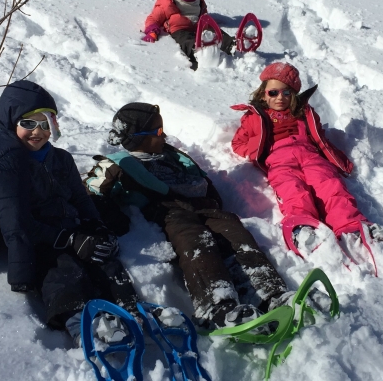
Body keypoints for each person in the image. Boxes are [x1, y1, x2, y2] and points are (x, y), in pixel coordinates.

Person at [0, 80, 134, 344]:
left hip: (65, 224)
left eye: (46, 124)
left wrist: (94, 224)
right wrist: (68, 240)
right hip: (35, 235)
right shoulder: (8, 164)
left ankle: (133, 309)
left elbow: (80, 197)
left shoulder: (61, 158)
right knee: (60, 268)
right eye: (28, 123)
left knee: (104, 258)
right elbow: (17, 224)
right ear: (11, 123)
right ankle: (80, 321)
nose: (38, 132)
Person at [85, 102, 293, 329]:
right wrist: (112, 217)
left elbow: (202, 182)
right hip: (168, 213)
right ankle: (216, 304)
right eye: (158, 131)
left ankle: (268, 291)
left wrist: (212, 202)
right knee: (195, 240)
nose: (164, 136)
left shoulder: (172, 156)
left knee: (233, 230)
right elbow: (89, 193)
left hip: (202, 207)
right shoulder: (120, 164)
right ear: (137, 138)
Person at [230, 62, 383, 251]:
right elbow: (238, 144)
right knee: (292, 188)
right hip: (278, 159)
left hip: (310, 155)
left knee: (330, 184)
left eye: (286, 92)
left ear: (293, 95)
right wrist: (259, 146)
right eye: (273, 93)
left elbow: (318, 136)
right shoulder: (254, 117)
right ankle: (302, 226)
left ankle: (350, 224)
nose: (280, 98)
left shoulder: (303, 112)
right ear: (263, 93)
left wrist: (336, 157)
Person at [142, 0, 235, 70]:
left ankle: (232, 45)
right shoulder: (167, 1)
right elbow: (154, 18)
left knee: (214, 32)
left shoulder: (198, 1)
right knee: (186, 40)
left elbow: (204, 16)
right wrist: (152, 31)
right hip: (179, 29)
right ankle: (197, 52)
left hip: (198, 27)